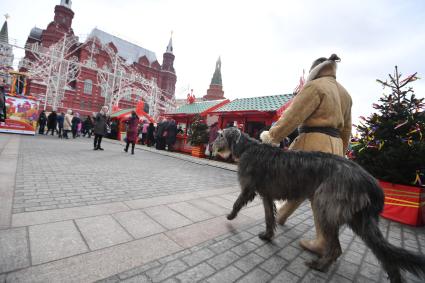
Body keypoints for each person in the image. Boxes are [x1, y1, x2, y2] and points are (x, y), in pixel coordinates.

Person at [260, 54, 352, 256]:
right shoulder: (345, 93)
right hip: (335, 146)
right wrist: (341, 152)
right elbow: (346, 130)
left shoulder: (315, 86)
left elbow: (292, 116)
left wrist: (272, 136)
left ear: (314, 70)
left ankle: (324, 242)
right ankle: (281, 215)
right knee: (305, 186)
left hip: (313, 144)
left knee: (313, 192)